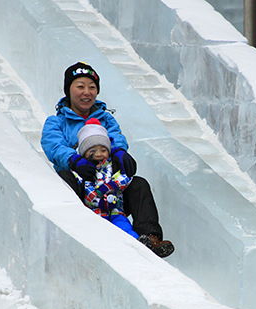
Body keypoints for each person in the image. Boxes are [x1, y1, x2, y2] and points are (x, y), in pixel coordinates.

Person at [41, 62, 174, 258]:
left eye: (92, 87)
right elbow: (53, 145)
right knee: (64, 178)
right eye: (80, 86)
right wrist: (74, 160)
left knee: (138, 184)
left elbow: (115, 136)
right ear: (68, 90)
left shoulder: (105, 118)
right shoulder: (57, 122)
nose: (87, 92)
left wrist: (119, 151)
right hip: (82, 188)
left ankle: (149, 239)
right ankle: (76, 233)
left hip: (110, 191)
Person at [73, 118, 139, 239]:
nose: (99, 154)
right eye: (93, 151)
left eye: (103, 150)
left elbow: (125, 178)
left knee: (124, 227)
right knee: (99, 232)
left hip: (116, 210)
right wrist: (99, 201)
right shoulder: (84, 171)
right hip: (96, 212)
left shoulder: (112, 166)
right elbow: (87, 191)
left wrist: (113, 185)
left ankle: (136, 243)